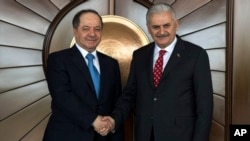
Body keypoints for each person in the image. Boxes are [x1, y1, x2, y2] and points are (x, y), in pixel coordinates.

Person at [100, 3, 213, 141]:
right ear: (148, 28)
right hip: (145, 134)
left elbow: (204, 107)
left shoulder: (196, 55)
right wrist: (113, 120)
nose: (161, 31)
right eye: (155, 27)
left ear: (176, 24)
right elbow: (130, 95)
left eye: (166, 25)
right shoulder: (139, 55)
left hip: (180, 136)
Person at [43, 9, 124, 141]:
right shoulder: (58, 59)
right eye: (86, 28)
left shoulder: (111, 64)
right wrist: (93, 120)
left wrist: (111, 123)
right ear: (75, 31)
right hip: (67, 136)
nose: (92, 34)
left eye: (97, 29)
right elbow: (62, 96)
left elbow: (116, 101)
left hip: (104, 137)